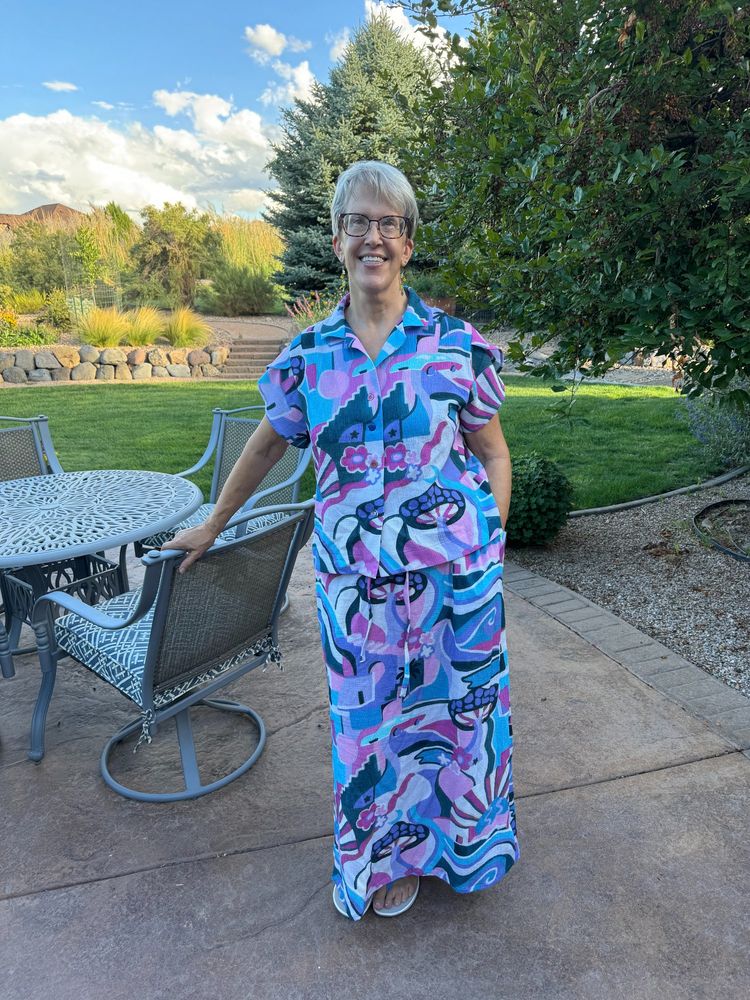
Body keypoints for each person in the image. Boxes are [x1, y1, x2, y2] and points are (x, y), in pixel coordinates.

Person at [164, 160, 519, 920]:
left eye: (388, 223)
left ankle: (461, 853)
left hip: (456, 584)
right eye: (358, 222)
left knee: (460, 718)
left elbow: (492, 451)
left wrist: (492, 537)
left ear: (409, 243)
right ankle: (380, 862)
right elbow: (263, 449)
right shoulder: (309, 358)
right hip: (356, 590)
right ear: (336, 241)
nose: (374, 238)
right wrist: (213, 522)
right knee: (370, 733)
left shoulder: (455, 347)